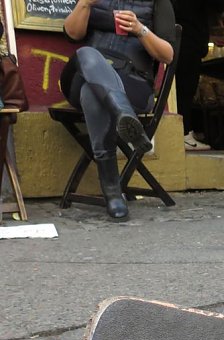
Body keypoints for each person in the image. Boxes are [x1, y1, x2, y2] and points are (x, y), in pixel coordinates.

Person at [61, 0, 176, 220]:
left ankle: (112, 191)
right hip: (82, 73)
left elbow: (167, 55)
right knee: (86, 53)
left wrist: (140, 30)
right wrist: (85, 3)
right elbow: (72, 34)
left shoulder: (158, 2)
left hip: (131, 82)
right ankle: (123, 114)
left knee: (92, 94)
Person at [171, 0, 224, 151]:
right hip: (188, 39)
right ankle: (184, 133)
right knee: (185, 90)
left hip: (178, 39)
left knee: (181, 90)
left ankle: (184, 132)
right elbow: (217, 5)